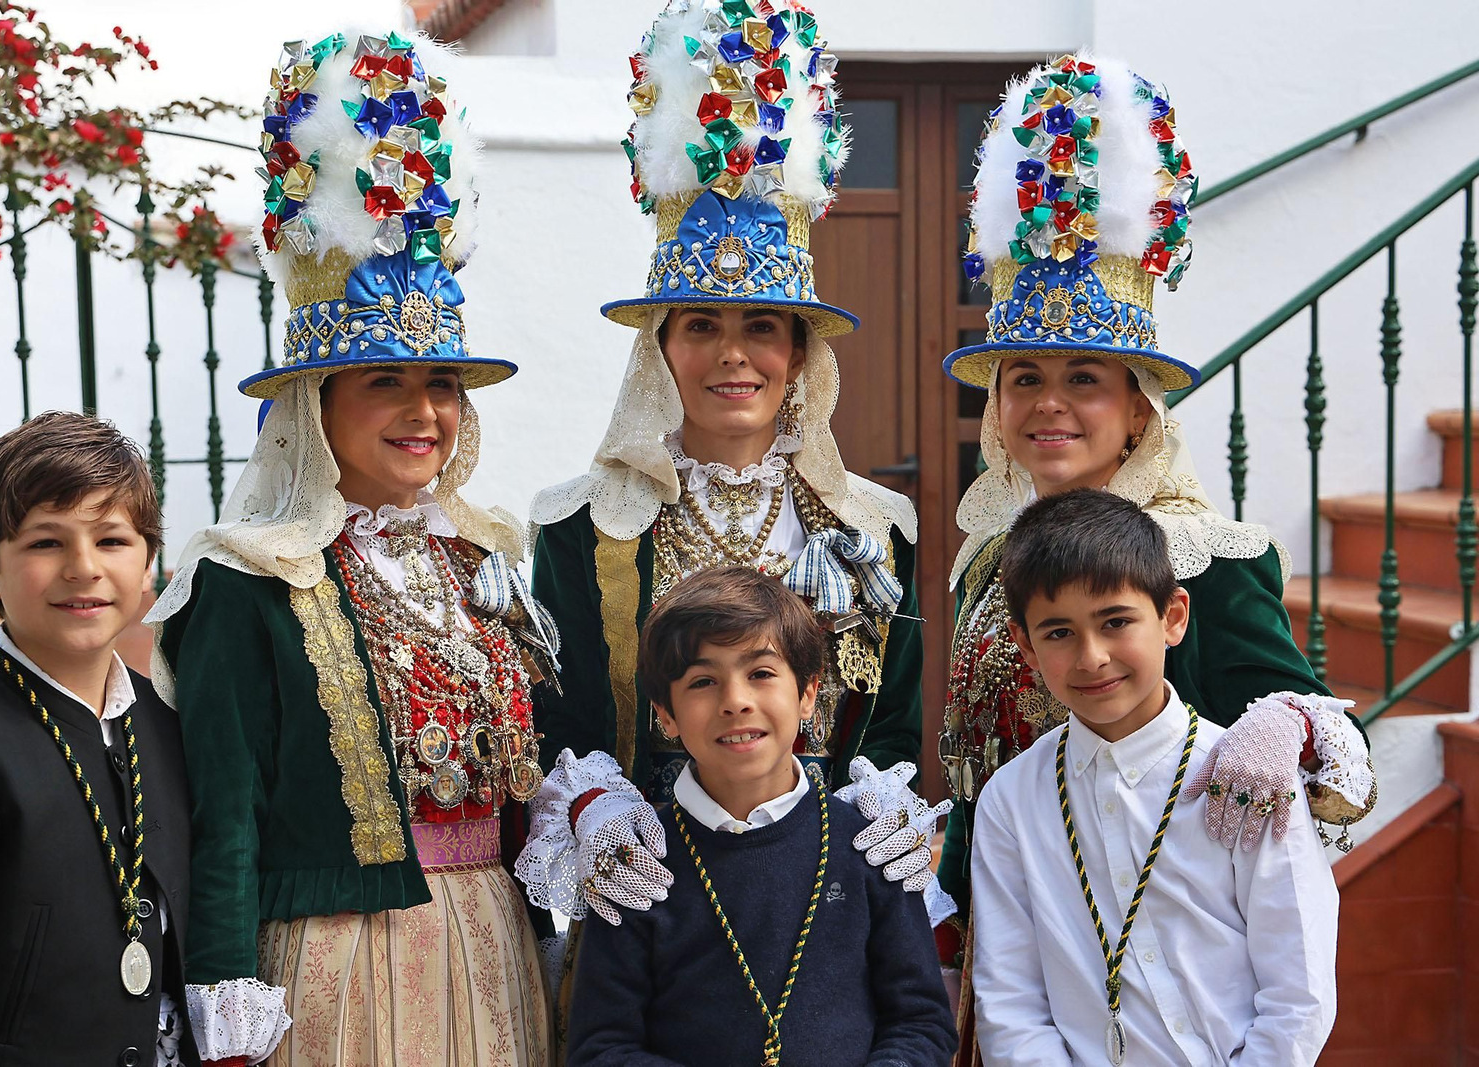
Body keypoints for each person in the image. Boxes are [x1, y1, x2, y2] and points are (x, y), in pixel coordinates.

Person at [931, 56, 1374, 1062]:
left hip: (1174, 959)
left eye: (1083, 378)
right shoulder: (985, 554)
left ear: (1137, 405)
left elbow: (1312, 739)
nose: (1048, 404)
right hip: (1011, 956)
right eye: (1024, 378)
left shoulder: (1204, 559)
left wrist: (1282, 726)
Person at [144, 25, 559, 1067]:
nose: (424, 412)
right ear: (314, 404)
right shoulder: (247, 580)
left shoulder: (481, 559)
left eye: (442, 387)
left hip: (488, 936)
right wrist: (226, 996)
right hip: (337, 963)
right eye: (386, 382)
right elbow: (225, 817)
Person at [517, 0, 950, 976]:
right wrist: (594, 811)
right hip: (651, 908)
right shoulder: (585, 525)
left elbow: (890, 729)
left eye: (762, 324)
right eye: (700, 324)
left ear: (799, 354)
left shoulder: (873, 527)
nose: (732, 353)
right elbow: (569, 724)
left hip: (829, 906)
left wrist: (887, 810)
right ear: (659, 346)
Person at [971, 488, 1338, 1065]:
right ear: (1025, 644)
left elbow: (1300, 989)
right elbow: (1012, 1003)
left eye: (1116, 622)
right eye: (1059, 633)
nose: (1091, 656)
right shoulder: (1011, 800)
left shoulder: (1245, 774)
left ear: (1172, 617)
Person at [0, 412, 195, 1067]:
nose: (83, 569)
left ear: (147, 566)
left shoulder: (167, 724)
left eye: (111, 539)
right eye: (46, 542)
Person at [567, 567, 956, 1067]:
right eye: (704, 681)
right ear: (665, 714)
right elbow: (601, 1048)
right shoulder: (636, 864)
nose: (736, 702)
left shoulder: (870, 845)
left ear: (808, 695)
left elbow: (921, 1024)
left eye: (761, 673)